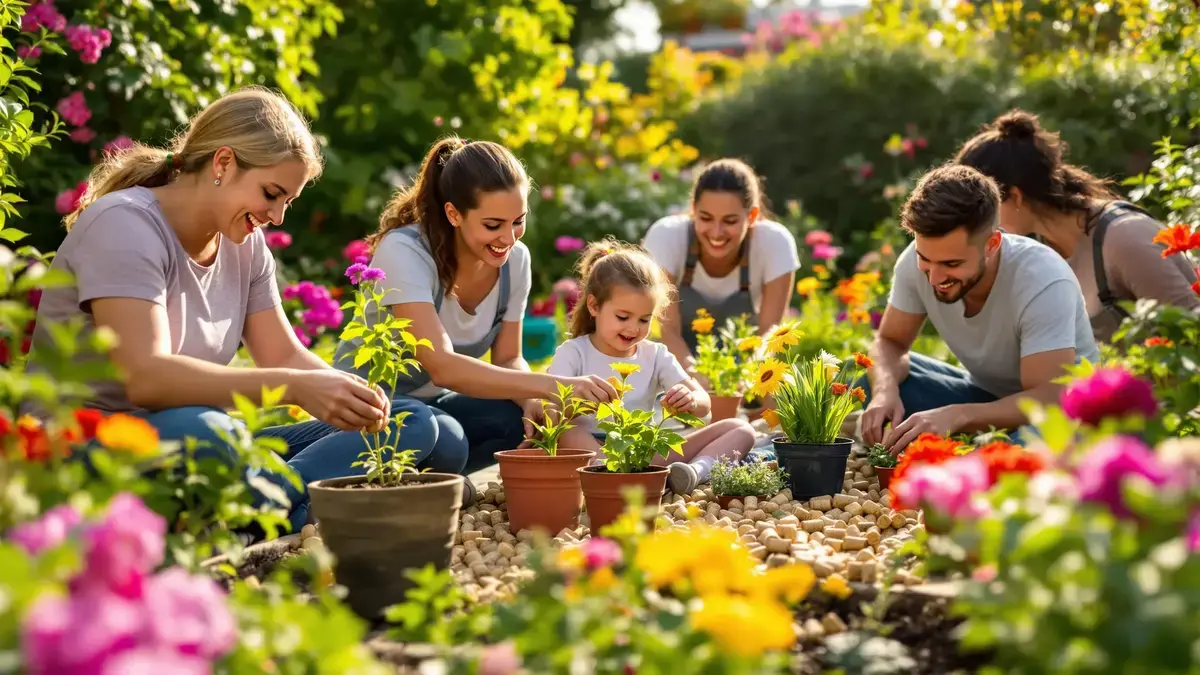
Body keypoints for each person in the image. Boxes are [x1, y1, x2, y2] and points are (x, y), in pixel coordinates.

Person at [31, 87, 433, 534]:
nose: (277, 216)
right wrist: (295, 388)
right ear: (223, 163)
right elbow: (146, 378)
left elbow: (283, 357)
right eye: (271, 193)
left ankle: (268, 508)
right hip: (91, 447)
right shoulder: (125, 224)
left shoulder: (244, 245)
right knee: (214, 433)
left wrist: (346, 393)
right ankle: (288, 508)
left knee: (412, 423)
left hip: (201, 440)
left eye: (288, 202)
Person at [300, 137, 618, 495]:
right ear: (454, 214)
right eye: (493, 224)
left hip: (431, 407)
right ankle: (310, 476)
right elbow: (443, 367)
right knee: (444, 437)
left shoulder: (516, 262)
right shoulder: (406, 251)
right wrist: (554, 385)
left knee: (511, 419)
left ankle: (411, 486)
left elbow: (509, 357)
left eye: (518, 221)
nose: (508, 238)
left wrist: (533, 402)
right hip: (364, 407)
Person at [859, 164, 1101, 454]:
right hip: (984, 397)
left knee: (1032, 447)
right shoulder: (914, 262)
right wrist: (885, 392)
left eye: (952, 264)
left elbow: (1047, 398)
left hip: (1059, 412)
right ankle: (972, 451)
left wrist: (959, 416)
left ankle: (980, 457)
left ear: (992, 244)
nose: (934, 278)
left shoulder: (1042, 279)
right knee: (873, 378)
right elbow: (890, 342)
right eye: (926, 259)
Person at [955, 109, 1200, 343]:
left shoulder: (1124, 238)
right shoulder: (1041, 251)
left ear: (1016, 197)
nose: (977, 224)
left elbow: (1191, 332)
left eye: (981, 209)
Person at [547, 239, 756, 496]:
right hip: (590, 452)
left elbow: (704, 406)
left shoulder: (655, 354)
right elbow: (550, 408)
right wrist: (574, 403)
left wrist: (690, 399)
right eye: (623, 317)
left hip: (644, 453)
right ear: (594, 306)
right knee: (569, 429)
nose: (634, 328)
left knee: (740, 428)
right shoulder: (574, 352)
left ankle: (694, 473)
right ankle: (607, 475)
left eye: (644, 319)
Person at [642, 159, 800, 375]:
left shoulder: (774, 243)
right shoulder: (667, 237)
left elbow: (769, 334)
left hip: (747, 370)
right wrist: (699, 380)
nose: (716, 233)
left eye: (730, 221)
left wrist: (740, 380)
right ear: (693, 209)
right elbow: (668, 330)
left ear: (751, 216)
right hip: (675, 369)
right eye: (706, 218)